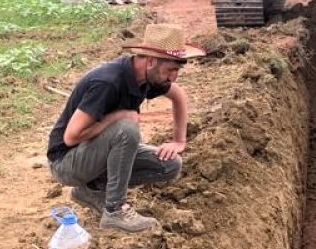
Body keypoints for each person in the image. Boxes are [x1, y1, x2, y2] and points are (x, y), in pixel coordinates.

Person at [46, 23, 204, 233]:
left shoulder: (148, 77)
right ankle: (115, 210)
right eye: (171, 70)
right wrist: (118, 116)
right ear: (151, 61)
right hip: (67, 162)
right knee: (126, 129)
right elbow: (71, 137)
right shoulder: (108, 82)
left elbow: (178, 95)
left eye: (177, 70)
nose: (173, 77)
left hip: (93, 154)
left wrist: (179, 140)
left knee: (170, 164)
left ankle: (92, 189)